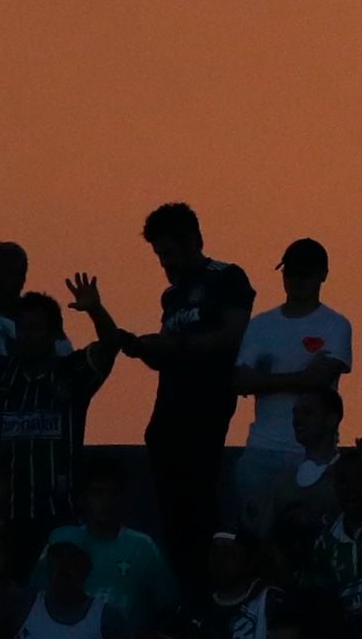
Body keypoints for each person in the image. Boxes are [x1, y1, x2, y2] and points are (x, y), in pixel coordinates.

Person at [74, 203, 253, 567]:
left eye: (168, 253)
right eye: (159, 256)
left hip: (206, 407)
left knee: (200, 499)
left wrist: (176, 345)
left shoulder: (227, 278)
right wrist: (142, 347)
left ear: (193, 242)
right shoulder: (172, 297)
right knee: (171, 507)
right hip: (168, 411)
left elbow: (234, 336)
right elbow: (166, 354)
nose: (165, 264)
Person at [232, 237, 351, 532]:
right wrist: (302, 377)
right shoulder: (260, 325)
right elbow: (240, 381)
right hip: (261, 451)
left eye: (304, 273)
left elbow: (321, 380)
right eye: (290, 273)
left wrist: (265, 380)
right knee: (255, 539)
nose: (296, 281)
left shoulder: (335, 325)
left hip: (311, 455)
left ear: (322, 274)